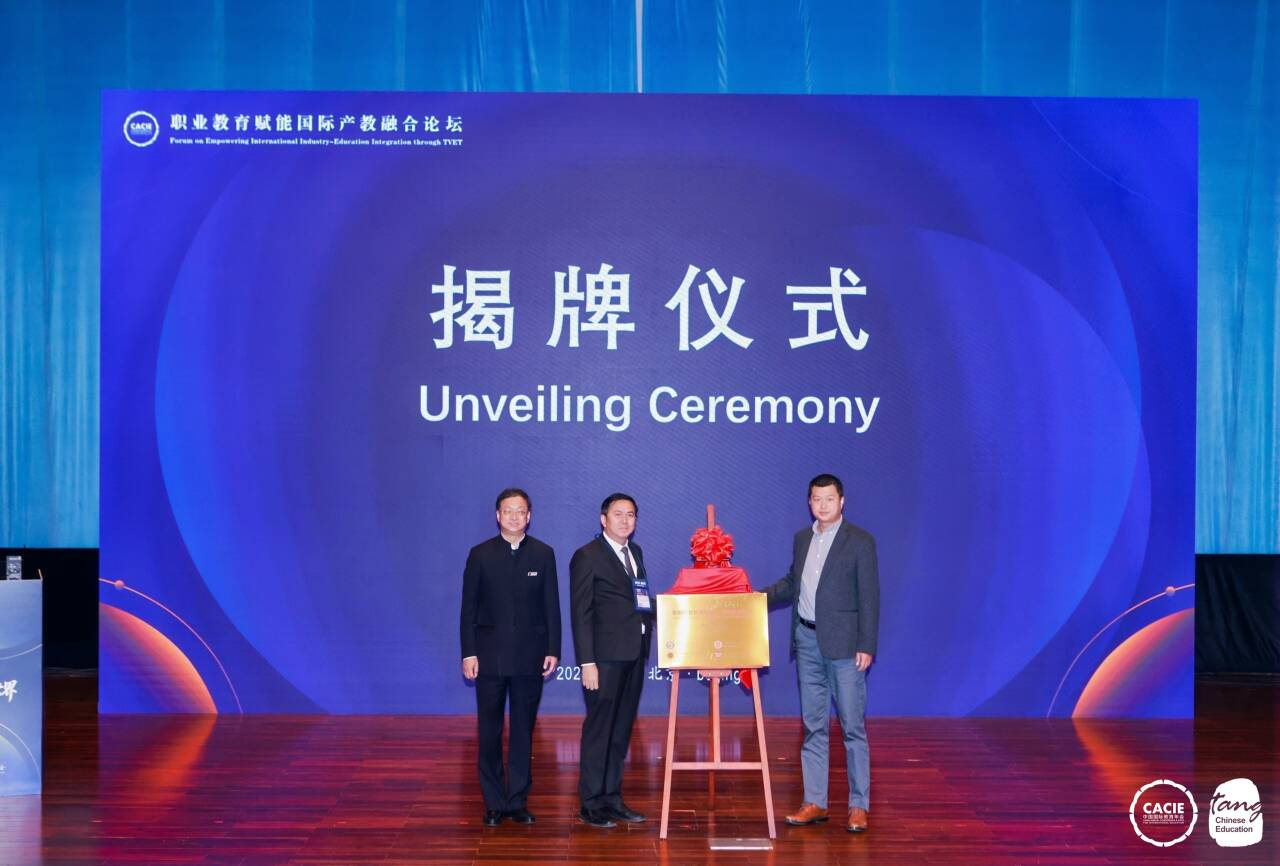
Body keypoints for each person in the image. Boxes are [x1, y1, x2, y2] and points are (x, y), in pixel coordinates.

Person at [764, 473, 880, 834]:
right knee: (813, 725)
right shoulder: (802, 539)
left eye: (829, 498)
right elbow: (792, 583)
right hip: (807, 641)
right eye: (817, 499)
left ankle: (858, 805)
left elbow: (870, 597)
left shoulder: (860, 541)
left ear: (841, 501)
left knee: (852, 727)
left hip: (846, 646)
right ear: (809, 503)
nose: (823, 505)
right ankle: (815, 801)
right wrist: (754, 598)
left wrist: (867, 644)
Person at [459, 488, 561, 827]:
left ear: (529, 516)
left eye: (520, 511)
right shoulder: (480, 554)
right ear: (497, 515)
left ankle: (516, 800)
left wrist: (553, 649)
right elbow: (467, 610)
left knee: (522, 732)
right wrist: (469, 652)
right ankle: (493, 802)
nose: (514, 516)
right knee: (489, 731)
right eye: (508, 510)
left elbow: (551, 607)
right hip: (489, 658)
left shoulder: (543, 554)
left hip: (530, 658)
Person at [569, 492, 654, 828]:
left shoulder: (636, 552)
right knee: (599, 730)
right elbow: (581, 614)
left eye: (631, 514)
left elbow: (640, 600)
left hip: (634, 654)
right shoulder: (587, 556)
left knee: (620, 731)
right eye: (618, 514)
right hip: (603, 660)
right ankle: (590, 803)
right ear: (603, 519)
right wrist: (586, 662)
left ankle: (612, 797)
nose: (625, 520)